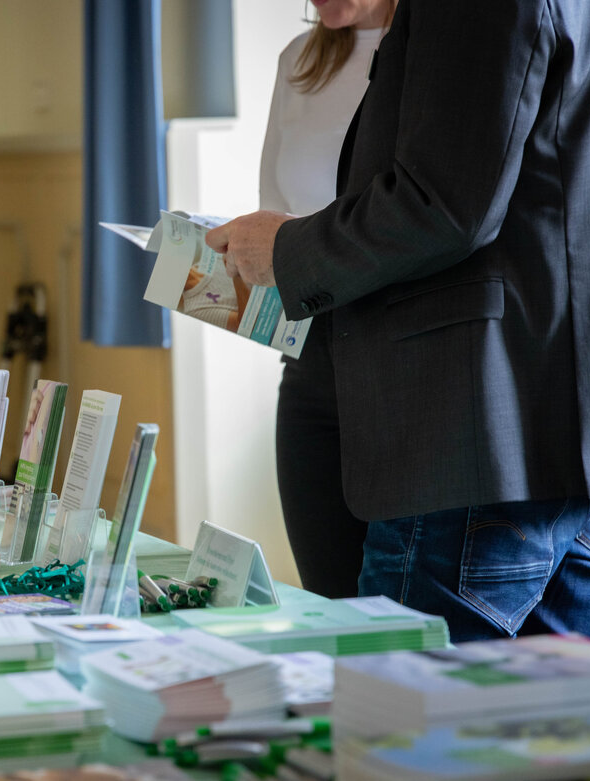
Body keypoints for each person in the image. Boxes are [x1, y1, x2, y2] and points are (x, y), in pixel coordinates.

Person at [206, 0, 590, 642]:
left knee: (400, 696)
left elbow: (444, 204)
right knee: (541, 705)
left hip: (465, 429)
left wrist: (286, 249)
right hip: (538, 424)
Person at [263, 0, 395, 599]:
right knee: (329, 596)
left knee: (401, 603)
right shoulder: (298, 60)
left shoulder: (426, 51)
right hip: (311, 354)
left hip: (397, 351)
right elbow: (274, 215)